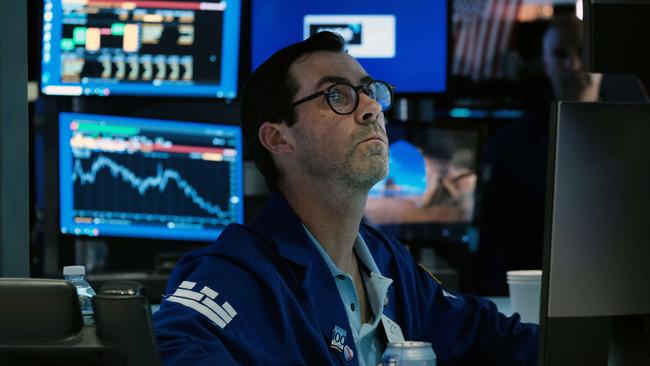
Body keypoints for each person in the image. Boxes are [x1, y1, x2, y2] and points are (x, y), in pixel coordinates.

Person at [153, 31, 538, 366]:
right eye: (337, 95)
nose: (371, 108)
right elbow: (169, 345)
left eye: (370, 92)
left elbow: (497, 340)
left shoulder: (388, 264)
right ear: (277, 138)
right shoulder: (237, 275)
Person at [476, 14, 602, 295]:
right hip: (534, 299)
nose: (574, 64)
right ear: (545, 62)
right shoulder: (509, 145)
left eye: (584, 52)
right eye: (560, 54)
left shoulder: (633, 134)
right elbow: (496, 247)